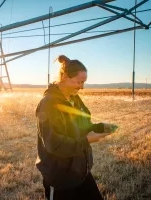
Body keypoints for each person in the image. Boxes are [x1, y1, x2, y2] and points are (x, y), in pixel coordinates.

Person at [35, 55, 117, 200]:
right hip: (60, 177)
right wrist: (87, 140)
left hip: (80, 170)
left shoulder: (74, 99)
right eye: (79, 82)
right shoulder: (48, 104)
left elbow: (82, 125)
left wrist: (99, 127)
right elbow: (54, 144)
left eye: (84, 82)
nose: (82, 87)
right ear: (65, 76)